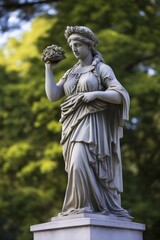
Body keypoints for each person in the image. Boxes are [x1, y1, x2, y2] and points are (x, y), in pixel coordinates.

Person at [45, 26, 132, 219]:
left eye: (77, 44)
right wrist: (48, 69)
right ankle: (82, 207)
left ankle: (85, 207)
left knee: (79, 162)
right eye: (71, 45)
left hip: (93, 124)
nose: (74, 49)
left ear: (88, 45)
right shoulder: (70, 72)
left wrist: (93, 94)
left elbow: (120, 95)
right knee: (76, 165)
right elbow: (53, 95)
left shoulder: (101, 69)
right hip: (71, 124)